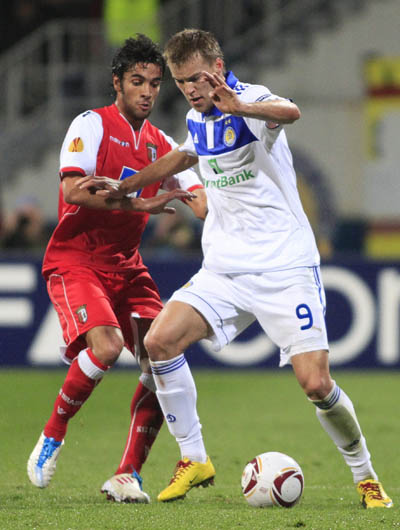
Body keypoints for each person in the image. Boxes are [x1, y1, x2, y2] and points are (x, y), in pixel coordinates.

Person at [79, 29, 393, 509]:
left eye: (198, 79)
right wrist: (128, 189)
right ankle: (195, 458)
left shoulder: (250, 100)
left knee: (316, 383)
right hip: (225, 268)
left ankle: (365, 475)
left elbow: (291, 112)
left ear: (219, 69)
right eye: (181, 83)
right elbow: (182, 156)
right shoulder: (196, 117)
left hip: (284, 266)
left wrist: (240, 107)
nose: (191, 90)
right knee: (159, 341)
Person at [27, 33, 207, 503]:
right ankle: (53, 435)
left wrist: (221, 205)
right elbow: (73, 192)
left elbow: (198, 197)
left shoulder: (161, 141)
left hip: (127, 268)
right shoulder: (91, 124)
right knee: (105, 347)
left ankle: (127, 473)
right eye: (137, 81)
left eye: (153, 83)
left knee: (159, 360)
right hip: (77, 259)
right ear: (117, 83)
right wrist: (140, 203)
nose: (147, 91)